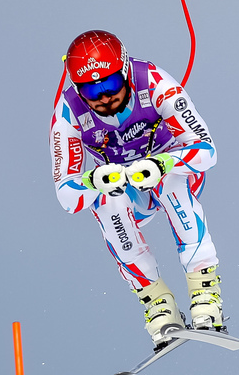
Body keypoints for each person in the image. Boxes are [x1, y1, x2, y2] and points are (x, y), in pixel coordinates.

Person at [49, 30, 224, 347]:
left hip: (174, 172)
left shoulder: (154, 82)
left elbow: (207, 151)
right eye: (92, 88)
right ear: (77, 88)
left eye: (111, 84)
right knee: (105, 201)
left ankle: (205, 292)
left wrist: (162, 164)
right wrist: (94, 179)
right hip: (128, 189)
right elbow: (66, 197)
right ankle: (157, 303)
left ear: (126, 70)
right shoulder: (68, 113)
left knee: (171, 185)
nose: (104, 97)